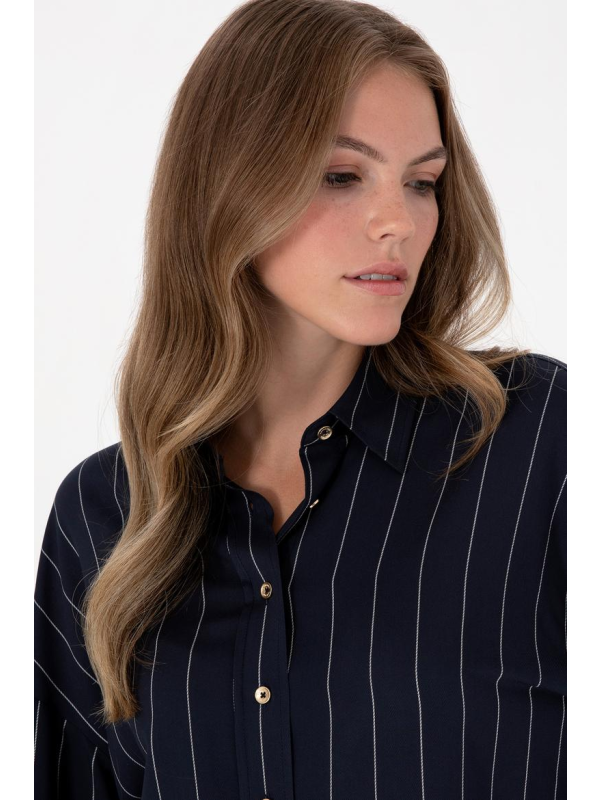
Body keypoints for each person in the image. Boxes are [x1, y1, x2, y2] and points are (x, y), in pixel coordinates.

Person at [34, 1, 567, 797]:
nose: (398, 222)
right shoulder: (103, 516)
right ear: (227, 186)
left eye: (422, 182)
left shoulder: (539, 445)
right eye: (341, 176)